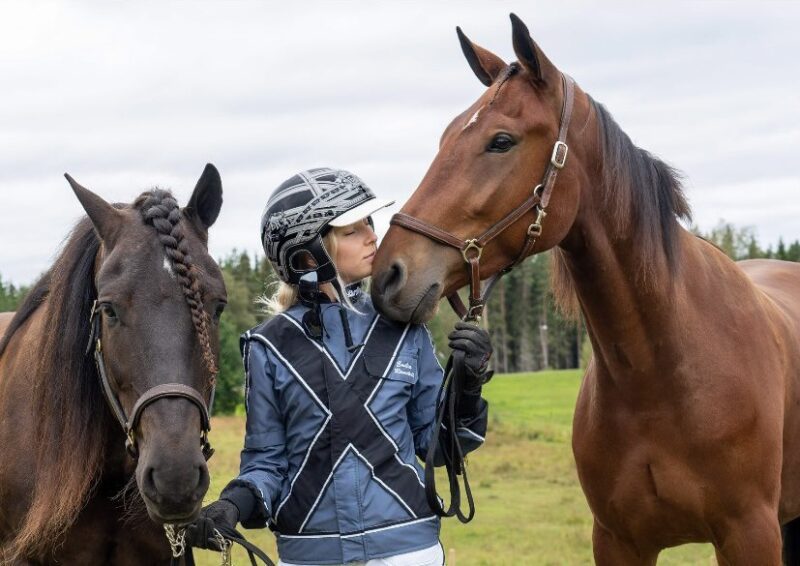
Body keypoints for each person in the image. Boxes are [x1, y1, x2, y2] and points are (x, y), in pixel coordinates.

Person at [187, 168, 492, 566]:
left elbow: (439, 447)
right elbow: (267, 461)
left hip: (408, 552)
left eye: (369, 222)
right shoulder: (268, 347)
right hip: (309, 555)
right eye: (353, 229)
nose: (372, 235)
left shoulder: (406, 331)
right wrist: (234, 503)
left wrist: (468, 386)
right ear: (309, 253)